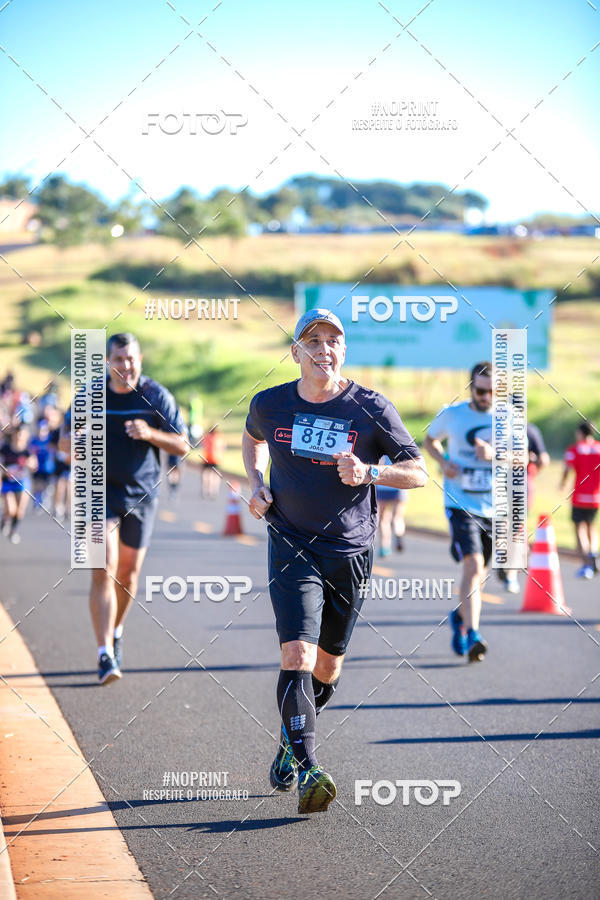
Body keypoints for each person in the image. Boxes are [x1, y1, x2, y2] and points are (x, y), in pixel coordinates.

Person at [242, 309, 427, 814]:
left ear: (344, 350)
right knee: (297, 656)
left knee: (327, 665)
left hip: (349, 550)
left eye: (333, 340)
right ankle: (309, 769)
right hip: (291, 541)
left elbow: (418, 473)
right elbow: (252, 438)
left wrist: (370, 472)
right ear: (295, 352)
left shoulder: (370, 408)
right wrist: (257, 485)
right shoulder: (270, 403)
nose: (324, 348)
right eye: (313, 340)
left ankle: (289, 740)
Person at [61, 333, 188, 684]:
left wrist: (149, 433)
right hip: (98, 493)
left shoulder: (155, 396)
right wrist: (78, 440)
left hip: (142, 495)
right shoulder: (90, 395)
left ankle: (115, 632)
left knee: (128, 576)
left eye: (130, 359)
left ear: (140, 360)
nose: (125, 366)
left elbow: (183, 444)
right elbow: (63, 442)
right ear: (107, 362)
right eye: (118, 359)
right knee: (104, 566)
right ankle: (104, 654)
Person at [423, 361, 494, 663]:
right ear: (471, 388)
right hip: (460, 504)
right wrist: (443, 461)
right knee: (473, 566)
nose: (486, 397)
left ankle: (460, 618)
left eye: (492, 392)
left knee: (480, 574)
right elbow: (429, 440)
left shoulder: (508, 419)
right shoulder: (452, 415)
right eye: (481, 391)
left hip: (494, 506)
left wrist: (495, 454)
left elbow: (522, 458)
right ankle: (474, 634)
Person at [497, 422, 550, 593]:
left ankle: (509, 567)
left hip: (504, 484)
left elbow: (543, 459)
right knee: (515, 529)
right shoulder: (530, 429)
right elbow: (544, 459)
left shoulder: (498, 427)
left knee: (508, 528)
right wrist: (532, 471)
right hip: (517, 484)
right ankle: (511, 572)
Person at [560, 420, 600, 579]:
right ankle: (594, 555)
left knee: (579, 529)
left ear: (580, 432)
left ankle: (586, 565)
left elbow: (567, 468)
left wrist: (562, 483)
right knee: (591, 527)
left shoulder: (574, 449)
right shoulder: (598, 448)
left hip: (579, 496)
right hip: (596, 497)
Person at [1, 424, 37, 544]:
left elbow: (34, 466)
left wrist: (29, 464)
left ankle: (13, 531)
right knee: (10, 509)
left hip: (22, 481)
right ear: (14, 435)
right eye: (18, 434)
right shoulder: (5, 448)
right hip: (7, 482)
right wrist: (4, 472)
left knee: (20, 510)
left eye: (22, 434)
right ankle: (5, 521)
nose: (19, 437)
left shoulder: (27, 451)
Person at [376, 454, 408, 556]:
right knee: (397, 517)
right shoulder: (401, 442)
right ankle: (398, 535)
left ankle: (384, 546)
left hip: (383, 484)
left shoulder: (379, 442)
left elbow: (378, 463)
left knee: (383, 518)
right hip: (399, 483)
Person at [201, 425, 226, 499]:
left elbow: (203, 445)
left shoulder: (206, 437)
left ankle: (206, 490)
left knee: (206, 475)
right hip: (216, 459)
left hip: (207, 458)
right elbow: (223, 447)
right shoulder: (220, 437)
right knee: (215, 476)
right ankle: (214, 490)